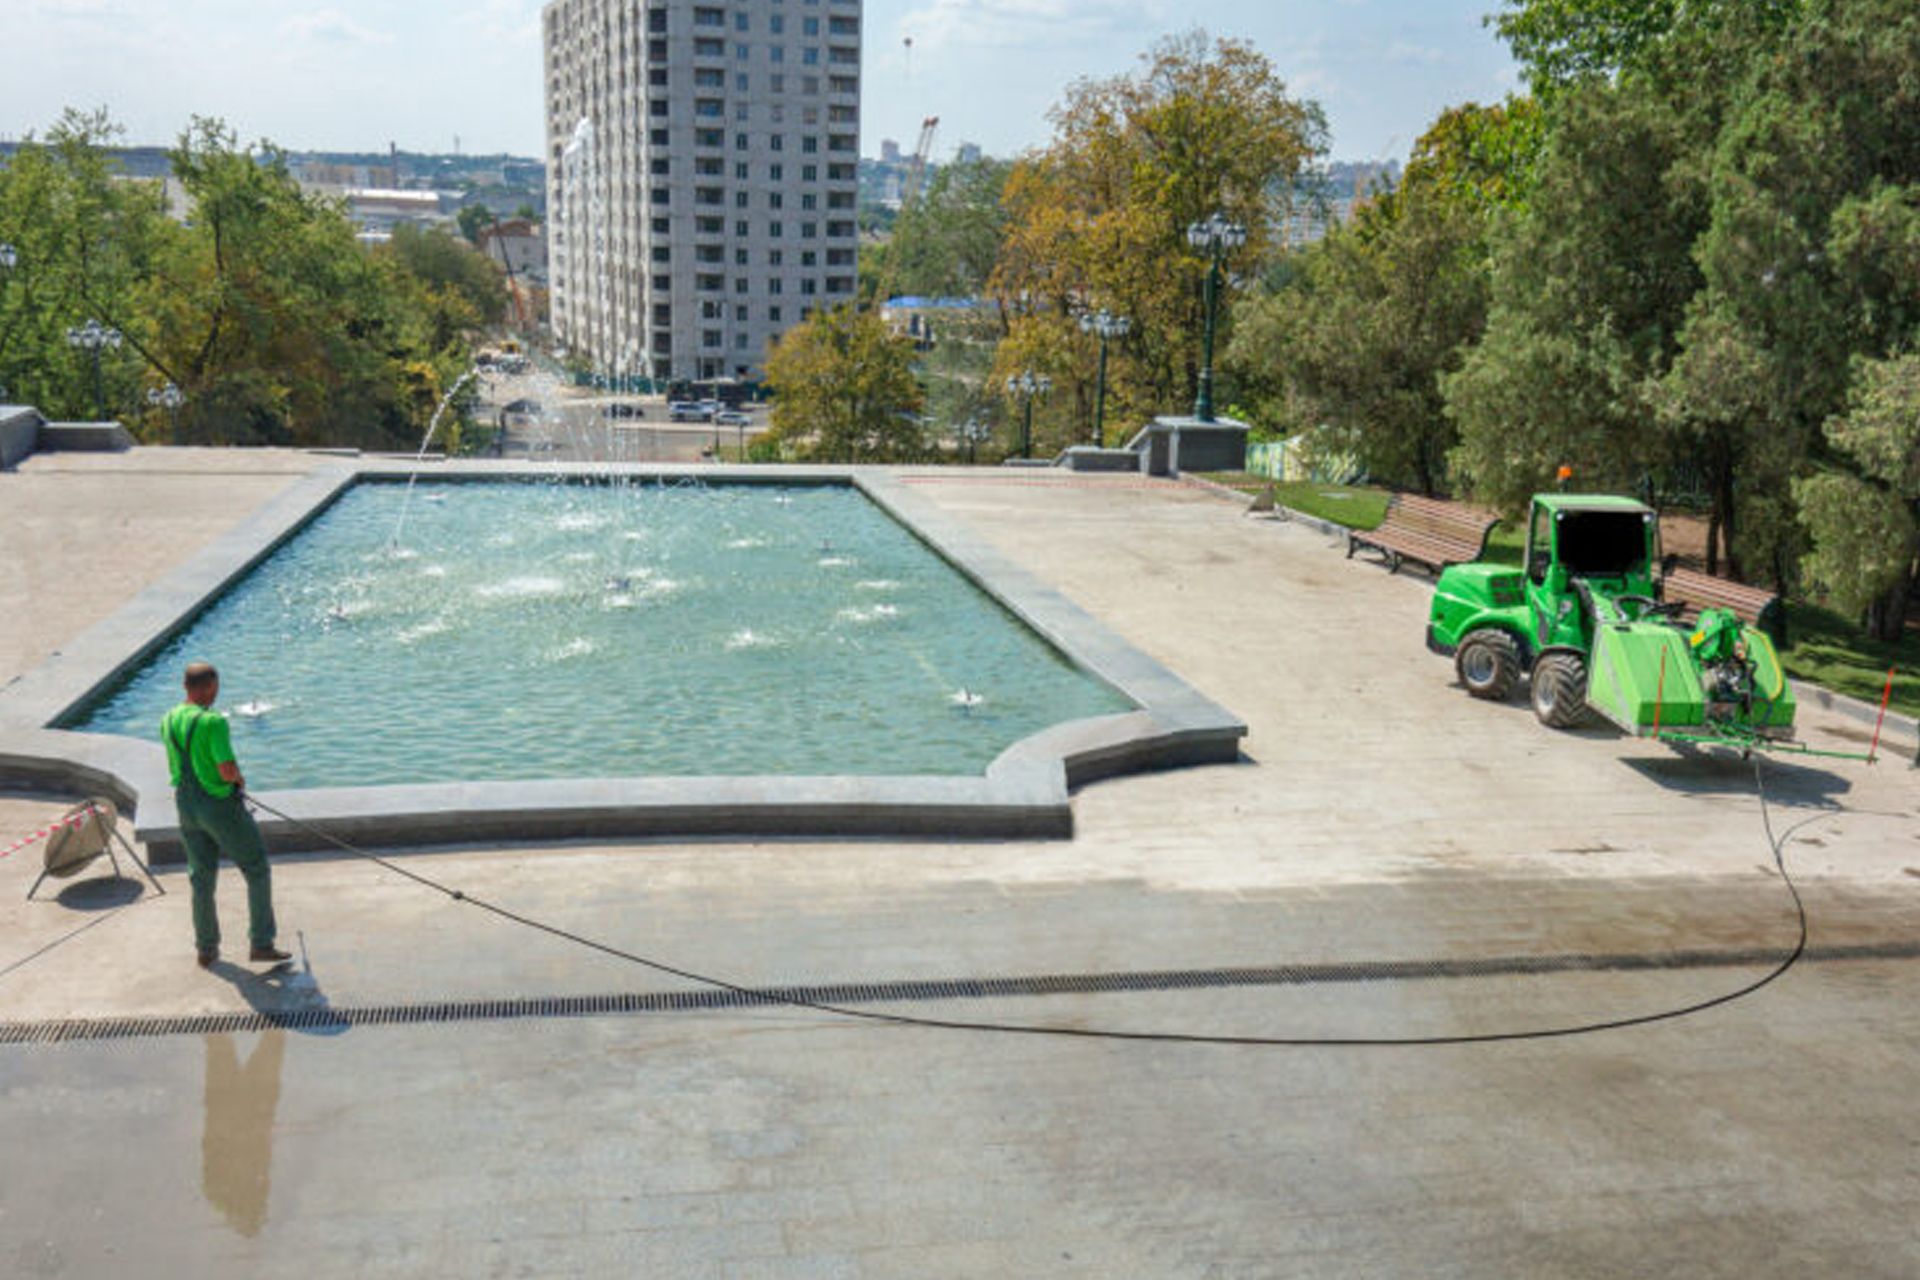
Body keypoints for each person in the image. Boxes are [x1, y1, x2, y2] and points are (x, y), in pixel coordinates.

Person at [161, 661, 289, 968]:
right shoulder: (213, 722)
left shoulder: (168, 718)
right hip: (219, 806)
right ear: (208, 688)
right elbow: (226, 769)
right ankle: (261, 943)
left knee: (201, 878)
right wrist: (239, 780)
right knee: (256, 868)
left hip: (185, 804)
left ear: (184, 687)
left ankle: (206, 949)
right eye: (215, 689)